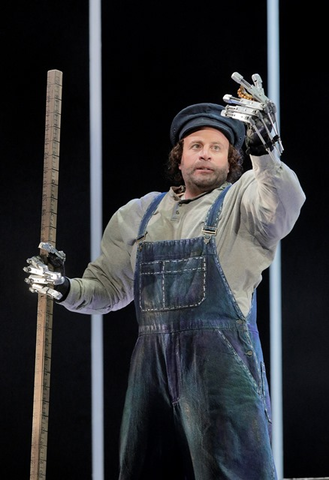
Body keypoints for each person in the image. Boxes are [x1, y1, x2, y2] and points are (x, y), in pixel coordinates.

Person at [25, 99, 306, 479]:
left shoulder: (245, 201)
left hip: (221, 371)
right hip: (151, 373)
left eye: (216, 148)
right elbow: (108, 287)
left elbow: (284, 203)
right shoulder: (138, 214)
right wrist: (62, 287)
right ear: (180, 157)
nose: (205, 154)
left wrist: (266, 149)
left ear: (231, 161)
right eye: (196, 146)